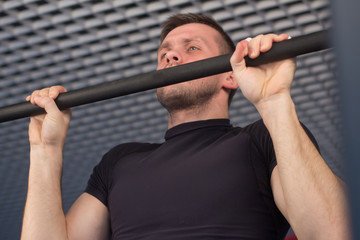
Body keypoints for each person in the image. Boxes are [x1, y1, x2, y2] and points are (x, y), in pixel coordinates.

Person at [21, 13, 350, 240]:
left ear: (230, 76)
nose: (170, 57)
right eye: (165, 52)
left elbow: (333, 232)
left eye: (191, 48)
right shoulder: (119, 161)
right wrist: (44, 150)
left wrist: (274, 100)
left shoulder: (262, 138)